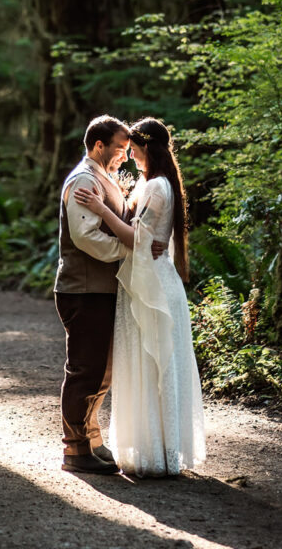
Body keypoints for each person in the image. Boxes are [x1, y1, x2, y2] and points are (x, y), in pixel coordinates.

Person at [73, 117, 205, 477]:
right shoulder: (153, 183)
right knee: (147, 366)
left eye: (130, 147)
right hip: (146, 281)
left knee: (153, 366)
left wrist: (101, 209)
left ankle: (158, 453)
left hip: (152, 289)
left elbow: (135, 240)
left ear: (145, 147)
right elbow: (148, 235)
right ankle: (155, 449)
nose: (127, 154)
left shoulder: (158, 187)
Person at [54, 114, 132, 475]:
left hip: (99, 290)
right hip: (83, 290)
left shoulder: (104, 178)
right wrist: (128, 250)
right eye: (120, 148)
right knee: (86, 370)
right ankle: (75, 450)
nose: (124, 157)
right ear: (98, 145)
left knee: (102, 371)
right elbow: (86, 237)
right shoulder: (84, 180)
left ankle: (92, 440)